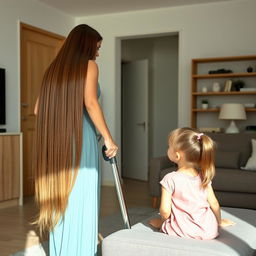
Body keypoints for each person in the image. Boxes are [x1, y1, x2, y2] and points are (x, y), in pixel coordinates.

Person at [34, 24, 118, 256]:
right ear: (86, 44)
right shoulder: (89, 65)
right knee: (82, 197)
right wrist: (109, 139)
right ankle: (80, 250)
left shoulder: (53, 70)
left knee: (61, 197)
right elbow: (91, 103)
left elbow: (38, 110)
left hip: (57, 140)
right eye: (97, 46)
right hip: (80, 140)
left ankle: (62, 250)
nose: (98, 52)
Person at [149, 127, 234, 240]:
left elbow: (165, 211)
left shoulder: (170, 178)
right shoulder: (204, 177)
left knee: (156, 222)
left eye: (169, 146)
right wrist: (219, 222)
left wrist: (161, 223)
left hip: (183, 230)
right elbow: (214, 203)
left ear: (177, 156)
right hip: (209, 231)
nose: (168, 149)